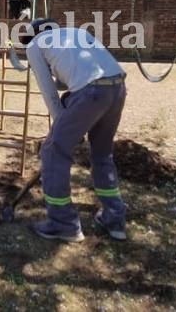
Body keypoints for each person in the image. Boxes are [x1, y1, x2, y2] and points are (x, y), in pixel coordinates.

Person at [21, 19, 128, 243]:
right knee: (102, 153)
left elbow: (49, 91)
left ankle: (63, 224)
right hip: (117, 87)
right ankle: (114, 218)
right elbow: (75, 75)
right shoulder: (74, 34)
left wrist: (62, 126)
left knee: (52, 152)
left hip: (91, 92)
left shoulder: (34, 46)